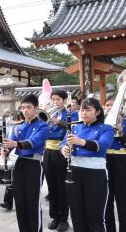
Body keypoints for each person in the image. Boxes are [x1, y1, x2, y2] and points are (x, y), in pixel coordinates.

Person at [60, 97, 113, 232]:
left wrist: (81, 142)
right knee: (77, 217)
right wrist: (64, 149)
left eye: (88, 110)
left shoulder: (106, 128)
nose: (83, 113)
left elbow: (102, 146)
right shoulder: (75, 126)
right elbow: (63, 143)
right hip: (73, 173)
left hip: (95, 175)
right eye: (82, 109)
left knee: (95, 219)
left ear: (97, 112)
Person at [3, 94, 50, 232]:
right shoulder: (18, 126)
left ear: (36, 108)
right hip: (20, 164)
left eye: (28, 107)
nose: (25, 111)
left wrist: (15, 143)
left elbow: (33, 142)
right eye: (23, 108)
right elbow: (11, 144)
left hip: (34, 165)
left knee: (33, 202)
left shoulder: (43, 126)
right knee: (20, 201)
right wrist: (6, 149)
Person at [44, 90, 78, 231]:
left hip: (61, 152)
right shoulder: (49, 113)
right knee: (51, 186)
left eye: (58, 99)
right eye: (53, 99)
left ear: (64, 100)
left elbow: (73, 127)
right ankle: (55, 217)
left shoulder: (72, 114)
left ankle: (63, 219)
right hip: (48, 152)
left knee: (61, 186)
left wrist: (58, 121)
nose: (55, 102)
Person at [105, 95, 126, 232]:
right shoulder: (101, 123)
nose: (110, 108)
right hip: (104, 160)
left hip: (121, 161)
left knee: (123, 200)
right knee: (106, 200)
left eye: (113, 105)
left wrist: (121, 130)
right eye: (107, 105)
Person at [0, 110, 24, 211]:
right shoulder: (13, 127)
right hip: (12, 155)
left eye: (18, 120)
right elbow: (10, 141)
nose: (16, 122)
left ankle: (17, 202)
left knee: (17, 182)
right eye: (15, 120)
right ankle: (7, 202)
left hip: (22, 156)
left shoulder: (25, 127)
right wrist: (6, 150)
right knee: (10, 180)